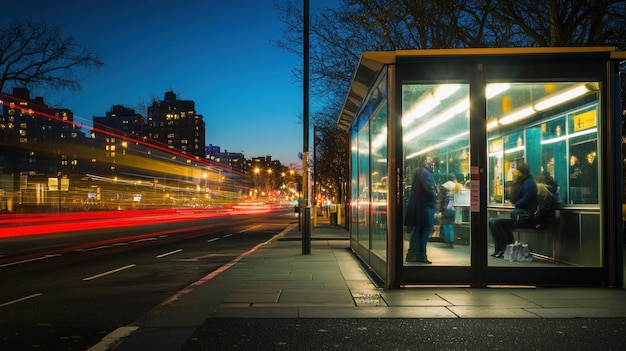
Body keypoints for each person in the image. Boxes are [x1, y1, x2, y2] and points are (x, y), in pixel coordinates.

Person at [488, 162, 538, 258]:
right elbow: (515, 198)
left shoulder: (529, 184)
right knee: (492, 221)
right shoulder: (523, 183)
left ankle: (504, 249)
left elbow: (526, 199)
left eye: (518, 174)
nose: (516, 176)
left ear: (522, 174)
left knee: (497, 223)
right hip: (520, 216)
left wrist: (516, 204)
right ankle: (499, 248)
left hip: (525, 217)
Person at [404, 156, 438, 263]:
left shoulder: (421, 172)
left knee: (418, 229)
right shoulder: (425, 173)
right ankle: (420, 254)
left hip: (421, 205)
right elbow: (429, 189)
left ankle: (414, 254)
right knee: (425, 229)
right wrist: (435, 196)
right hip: (426, 205)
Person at [439, 174, 462, 248]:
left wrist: (440, 210)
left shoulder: (443, 187)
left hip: (446, 208)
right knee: (451, 225)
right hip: (455, 207)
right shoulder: (457, 186)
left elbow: (442, 200)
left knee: (446, 225)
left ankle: (447, 241)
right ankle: (451, 241)